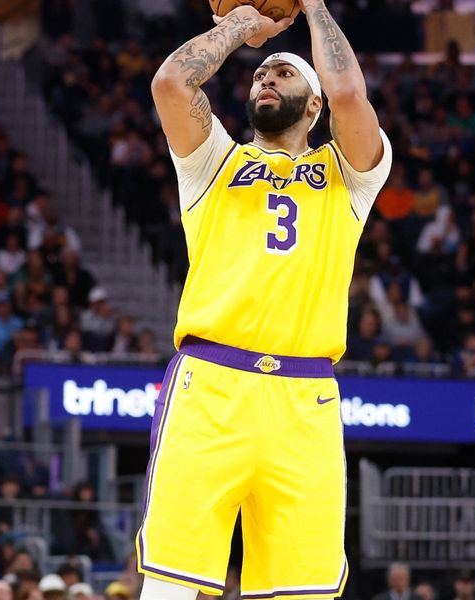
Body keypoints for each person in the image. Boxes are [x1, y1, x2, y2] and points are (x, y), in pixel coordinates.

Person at [140, 1, 392, 599]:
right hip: (211, 386)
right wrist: (239, 27)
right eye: (260, 74)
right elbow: (172, 83)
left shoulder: (349, 175)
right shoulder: (213, 161)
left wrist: (314, 5)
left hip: (304, 400)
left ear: (313, 105)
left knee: (298, 593)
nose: (265, 78)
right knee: (170, 589)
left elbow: (351, 97)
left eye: (283, 74)